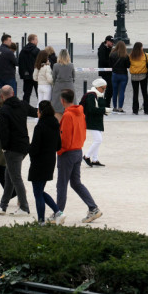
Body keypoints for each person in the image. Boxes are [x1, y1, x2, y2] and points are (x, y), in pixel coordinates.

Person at [56, 89, 102, 223]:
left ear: (62, 100)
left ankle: (58, 212)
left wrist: (60, 151)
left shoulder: (67, 115)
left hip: (67, 153)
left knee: (62, 184)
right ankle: (93, 208)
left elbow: (64, 138)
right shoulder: (80, 113)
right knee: (76, 183)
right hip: (78, 150)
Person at [0, 85, 37, 217]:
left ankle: (24, 207)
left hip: (12, 148)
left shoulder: (3, 111)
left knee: (15, 177)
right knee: (9, 176)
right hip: (24, 145)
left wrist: (4, 147)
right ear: (13, 93)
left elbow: (3, 132)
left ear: (2, 96)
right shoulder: (23, 105)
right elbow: (36, 112)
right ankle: (3, 205)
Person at [26, 100, 61, 224]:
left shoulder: (40, 126)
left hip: (39, 163)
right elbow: (58, 145)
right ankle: (58, 212)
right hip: (50, 161)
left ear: (41, 111)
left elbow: (34, 148)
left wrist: (28, 148)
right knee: (40, 190)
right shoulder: (55, 124)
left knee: (37, 193)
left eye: (37, 110)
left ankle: (41, 221)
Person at [82, 79, 108, 167]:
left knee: (98, 140)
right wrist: (103, 110)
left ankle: (95, 159)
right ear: (98, 87)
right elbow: (91, 109)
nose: (104, 90)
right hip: (92, 121)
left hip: (97, 121)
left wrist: (105, 111)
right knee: (98, 140)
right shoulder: (91, 96)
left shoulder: (98, 94)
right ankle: (86, 156)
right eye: (103, 88)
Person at [128, 41, 148, 115]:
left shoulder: (131, 55)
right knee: (145, 93)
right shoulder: (144, 55)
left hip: (134, 76)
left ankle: (135, 110)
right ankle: (146, 110)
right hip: (143, 76)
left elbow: (129, 64)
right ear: (140, 48)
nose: (142, 48)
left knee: (135, 93)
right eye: (142, 46)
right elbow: (147, 63)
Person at [50, 49, 75, 114]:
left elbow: (53, 77)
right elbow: (73, 76)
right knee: (70, 104)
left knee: (57, 106)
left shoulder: (56, 65)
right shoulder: (71, 65)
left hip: (59, 86)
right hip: (69, 85)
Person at [18, 33, 40, 105]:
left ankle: (24, 110)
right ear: (32, 40)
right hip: (35, 75)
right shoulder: (36, 50)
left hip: (26, 76)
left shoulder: (23, 50)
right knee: (39, 94)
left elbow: (20, 63)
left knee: (26, 94)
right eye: (36, 40)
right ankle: (41, 110)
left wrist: (22, 74)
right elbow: (39, 62)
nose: (37, 41)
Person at [109, 40, 130, 113]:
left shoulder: (112, 54)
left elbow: (110, 64)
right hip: (123, 75)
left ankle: (114, 107)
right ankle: (120, 107)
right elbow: (128, 65)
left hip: (115, 74)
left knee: (114, 91)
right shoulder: (126, 56)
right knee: (122, 92)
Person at [96, 35, 115, 106]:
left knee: (110, 88)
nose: (112, 43)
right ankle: (106, 104)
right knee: (109, 87)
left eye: (113, 42)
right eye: (111, 42)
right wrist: (112, 63)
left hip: (109, 71)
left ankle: (107, 103)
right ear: (107, 41)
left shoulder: (109, 48)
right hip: (105, 71)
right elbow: (103, 60)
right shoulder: (102, 49)